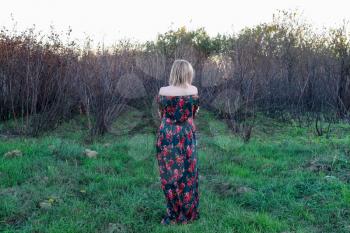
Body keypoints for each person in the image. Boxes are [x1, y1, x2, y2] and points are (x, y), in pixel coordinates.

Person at [155, 59, 200, 225]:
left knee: (170, 175)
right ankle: (188, 215)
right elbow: (193, 114)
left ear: (173, 72)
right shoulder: (193, 90)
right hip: (187, 135)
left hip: (167, 135)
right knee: (188, 175)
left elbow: (161, 114)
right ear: (188, 73)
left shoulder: (163, 91)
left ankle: (173, 215)